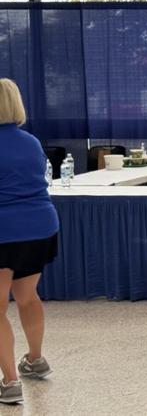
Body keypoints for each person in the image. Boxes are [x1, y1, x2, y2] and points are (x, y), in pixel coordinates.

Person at [0, 78, 58, 405]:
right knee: (26, 295)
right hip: (40, 227)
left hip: (3, 231)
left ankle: (9, 382)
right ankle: (35, 359)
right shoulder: (31, 142)